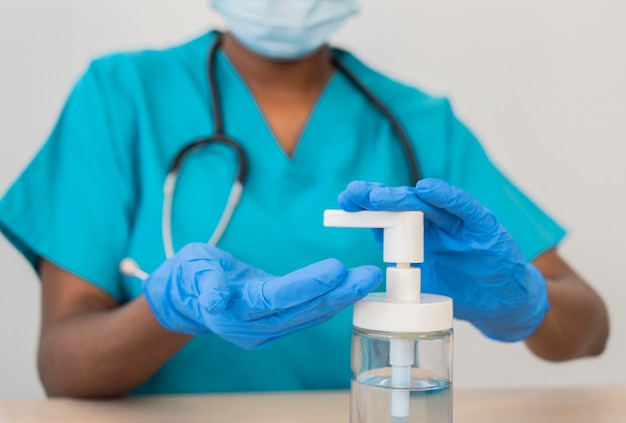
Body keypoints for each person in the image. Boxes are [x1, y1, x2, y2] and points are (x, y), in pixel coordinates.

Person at [0, 0, 608, 398]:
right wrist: (167, 312)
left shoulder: (419, 123)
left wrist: (525, 303)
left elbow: (590, 328)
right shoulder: (121, 96)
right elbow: (61, 367)